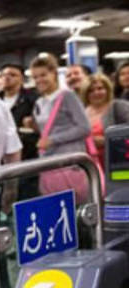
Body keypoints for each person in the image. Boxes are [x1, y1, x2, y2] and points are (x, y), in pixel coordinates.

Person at [28, 53, 91, 202]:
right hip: (49, 165)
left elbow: (84, 127)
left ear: (54, 73)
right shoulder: (39, 102)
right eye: (35, 77)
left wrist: (53, 140)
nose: (39, 80)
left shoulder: (67, 96)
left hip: (69, 164)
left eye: (43, 75)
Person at [81, 72, 129, 172]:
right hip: (92, 168)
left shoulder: (119, 107)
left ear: (107, 89)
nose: (96, 93)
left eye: (100, 88)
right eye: (91, 90)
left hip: (119, 165)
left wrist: (105, 141)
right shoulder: (82, 112)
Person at [0, 63, 39, 161]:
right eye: (3, 75)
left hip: (27, 153)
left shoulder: (33, 99)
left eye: (12, 75)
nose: (7, 77)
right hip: (1, 153)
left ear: (22, 79)